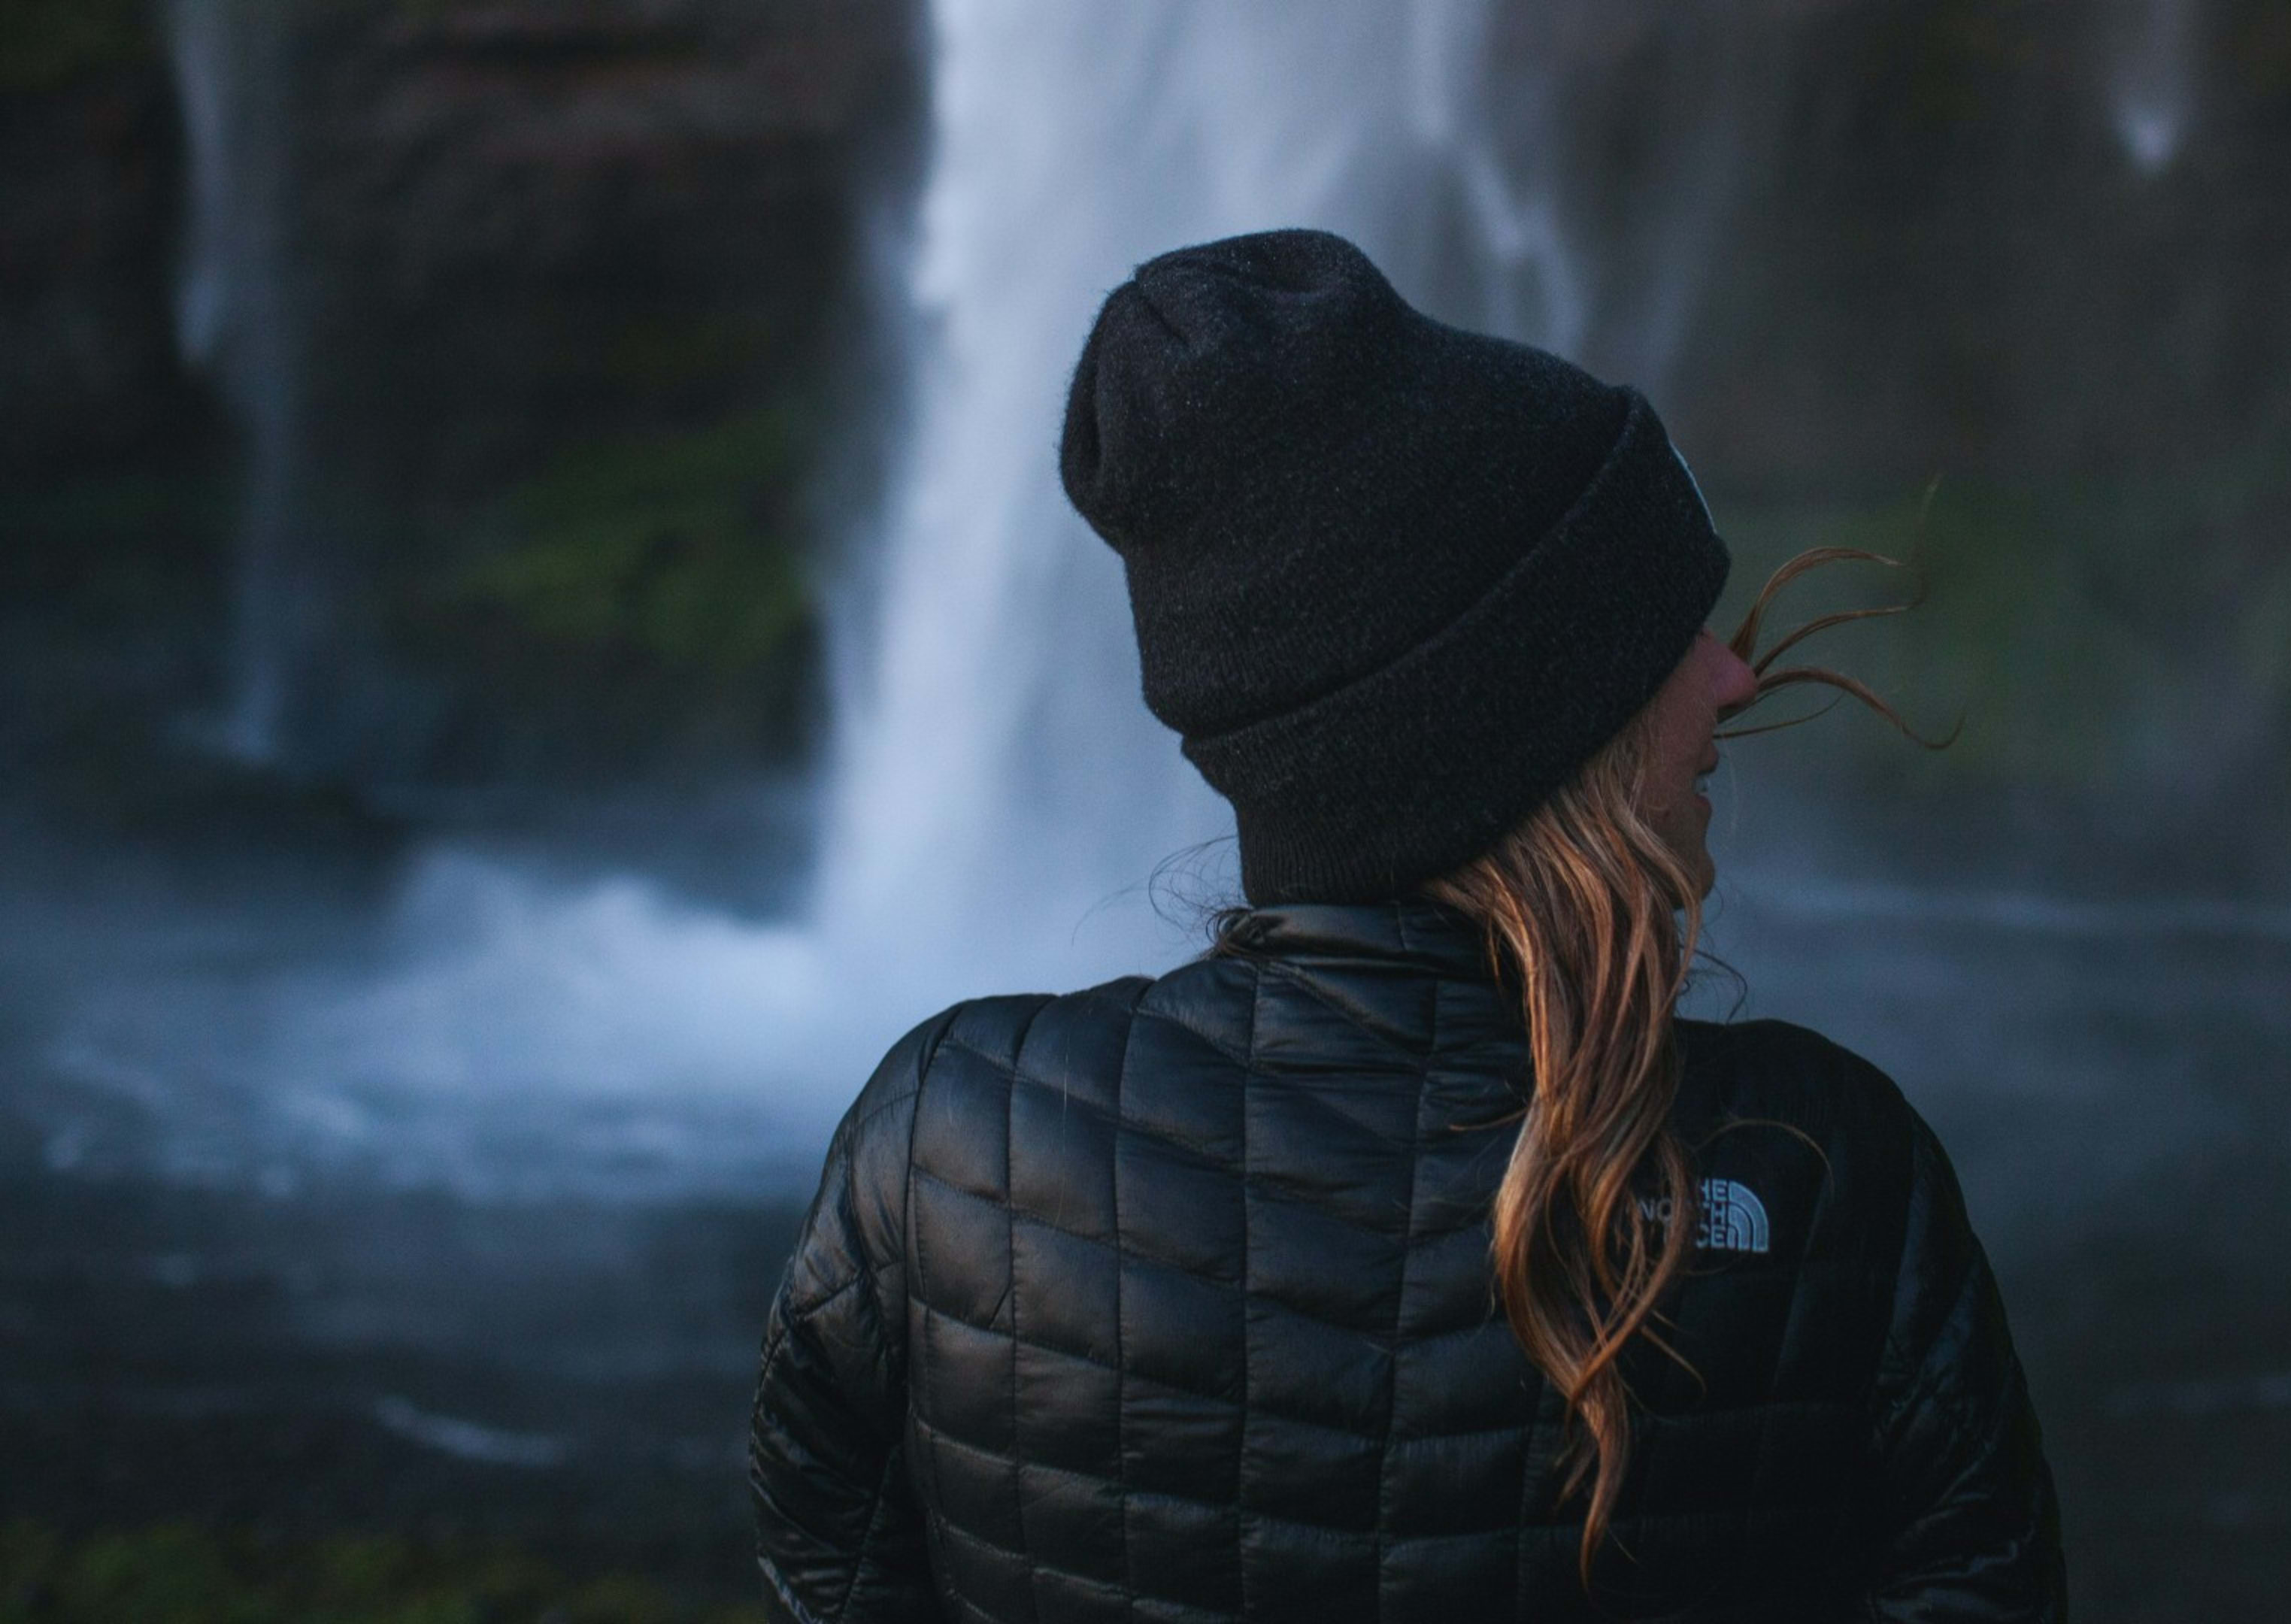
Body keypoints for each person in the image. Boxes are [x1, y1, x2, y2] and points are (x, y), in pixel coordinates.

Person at [748, 229, 2063, 1623]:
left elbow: (833, 1573)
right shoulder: (1818, 1179)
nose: (1732, 676)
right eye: (1665, 623)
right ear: (1518, 714)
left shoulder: (950, 1148)